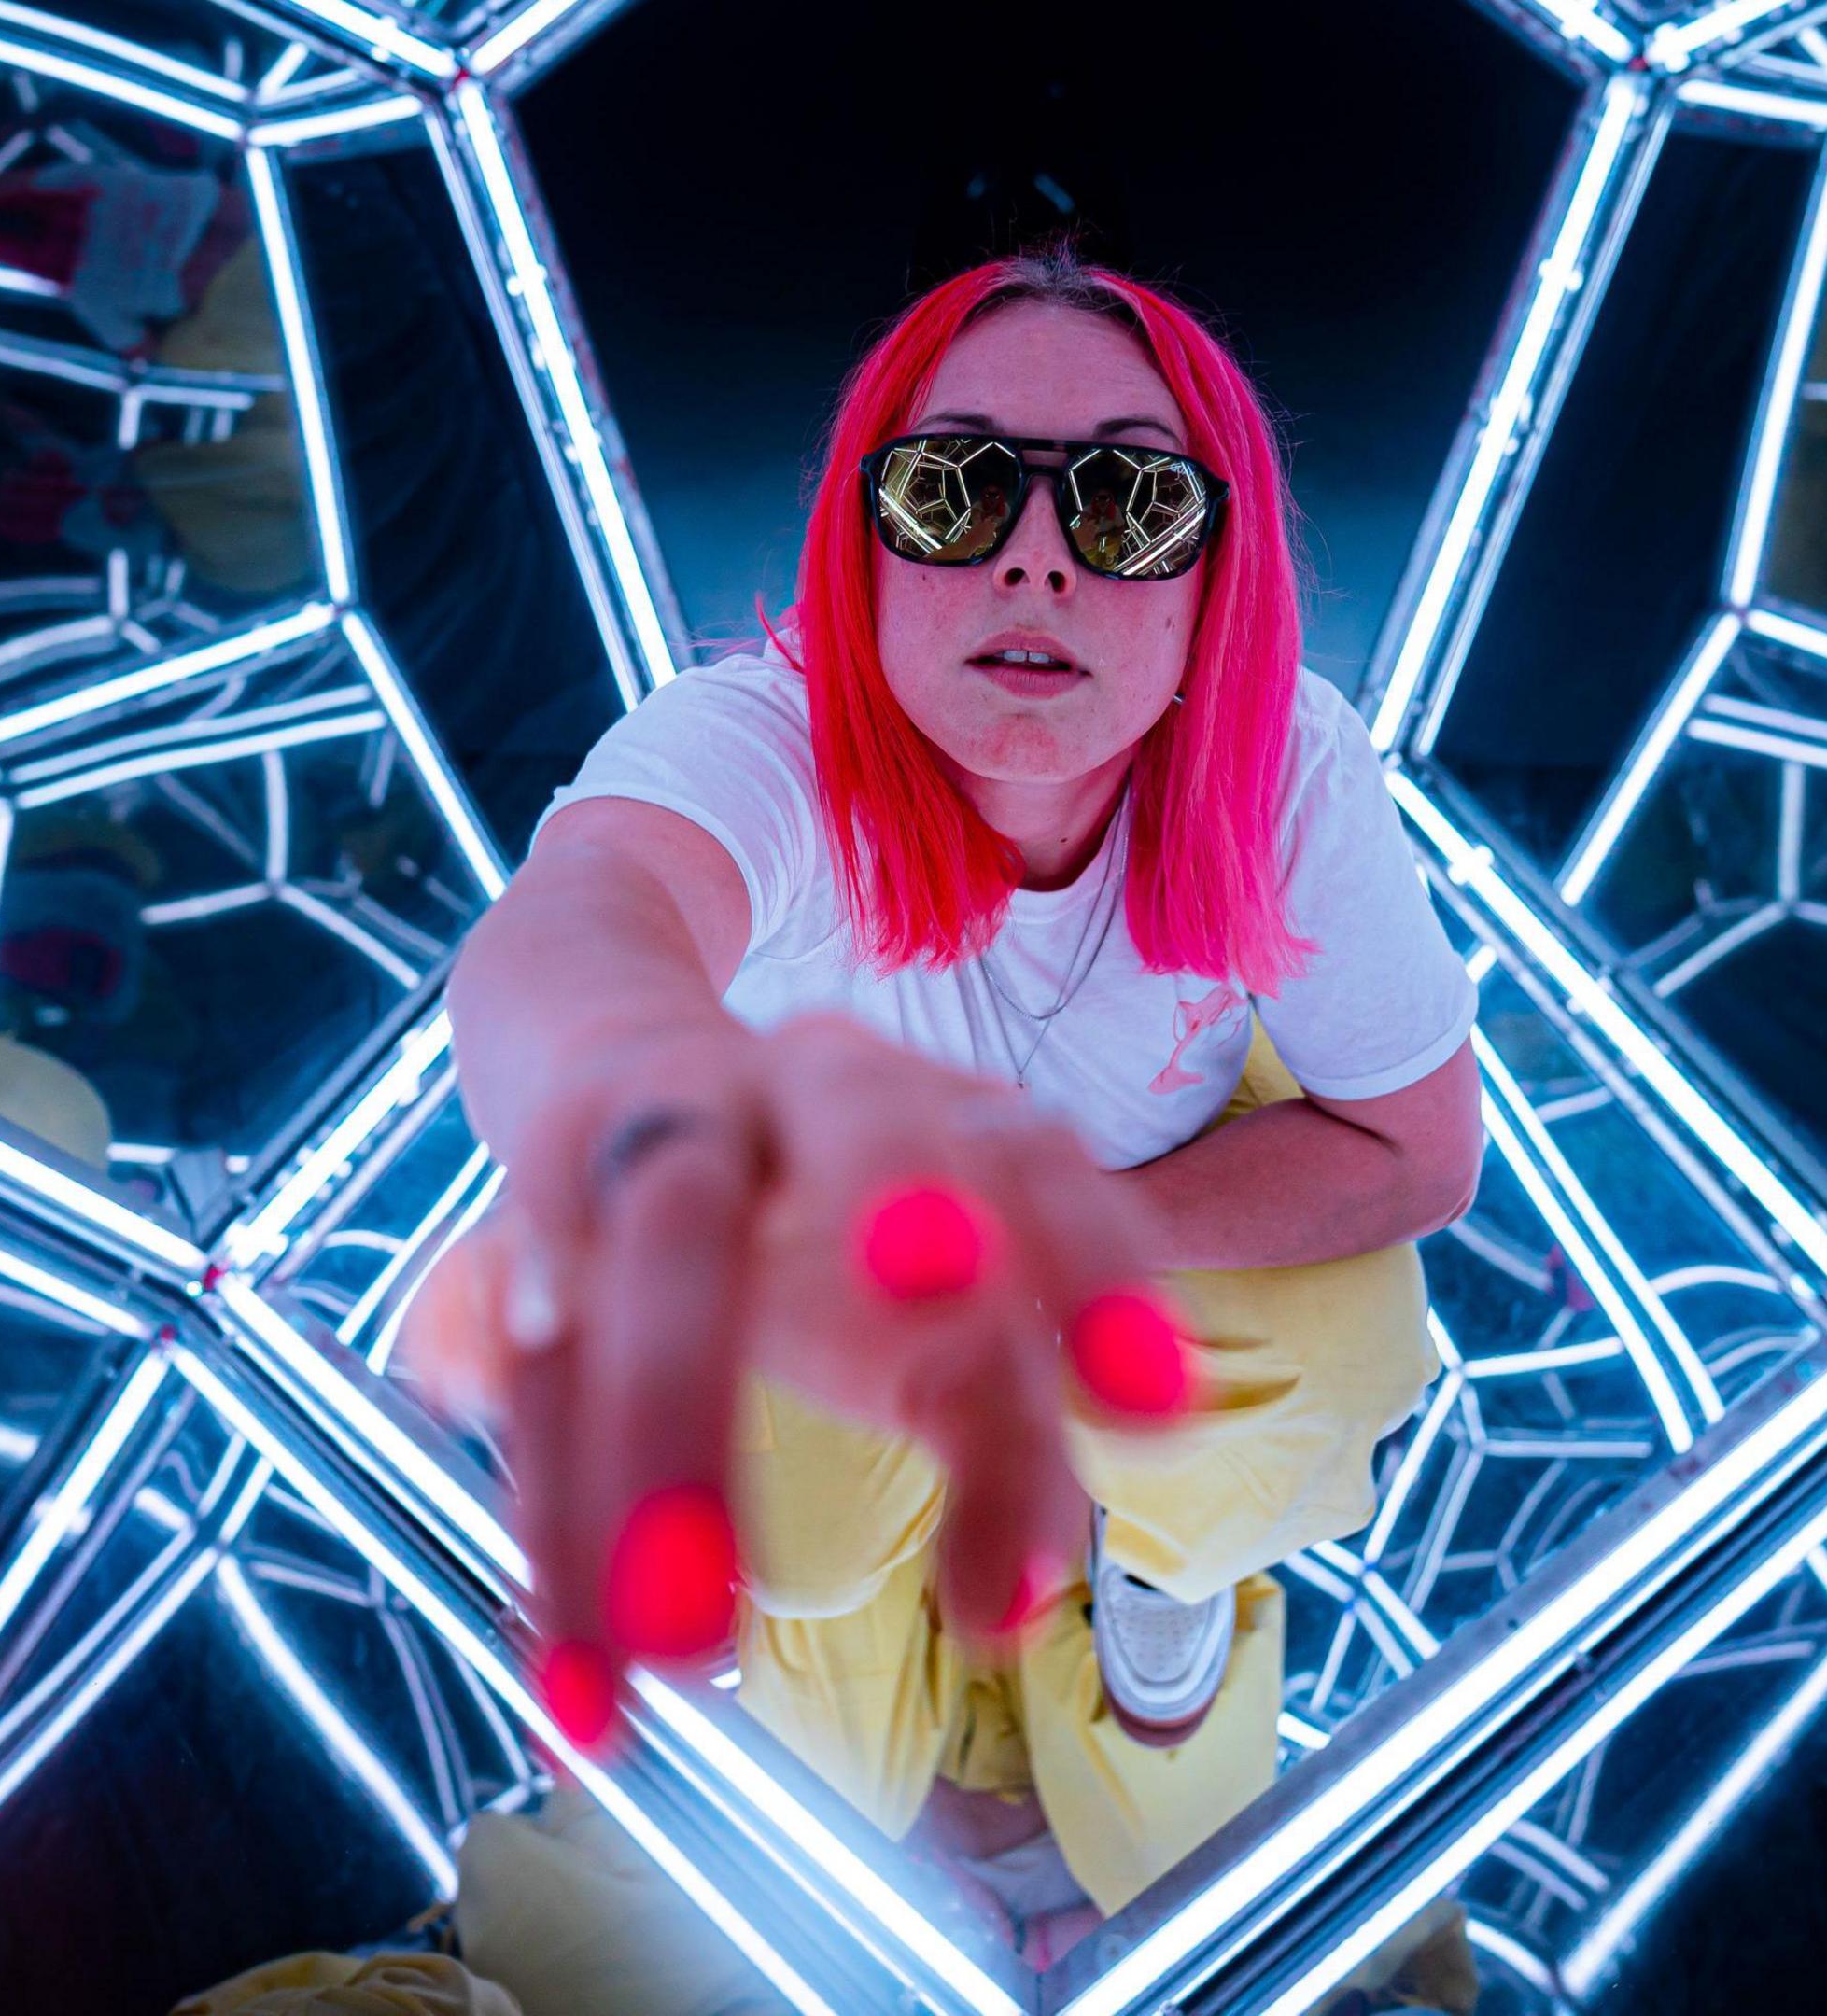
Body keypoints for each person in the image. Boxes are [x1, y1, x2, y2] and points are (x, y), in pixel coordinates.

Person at [395, 243, 1483, 1957]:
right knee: (790, 1596)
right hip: (847, 1293)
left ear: (1221, 574)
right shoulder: (762, 741)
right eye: (954, 486)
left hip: (1142, 1290)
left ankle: (1159, 1592)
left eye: (1130, 501)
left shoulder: (1288, 770)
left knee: (1310, 1361)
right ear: (866, 544)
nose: (1038, 552)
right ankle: (876, 1796)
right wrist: (637, 1112)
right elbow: (585, 916)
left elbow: (1420, 1153)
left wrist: (1059, 1259)